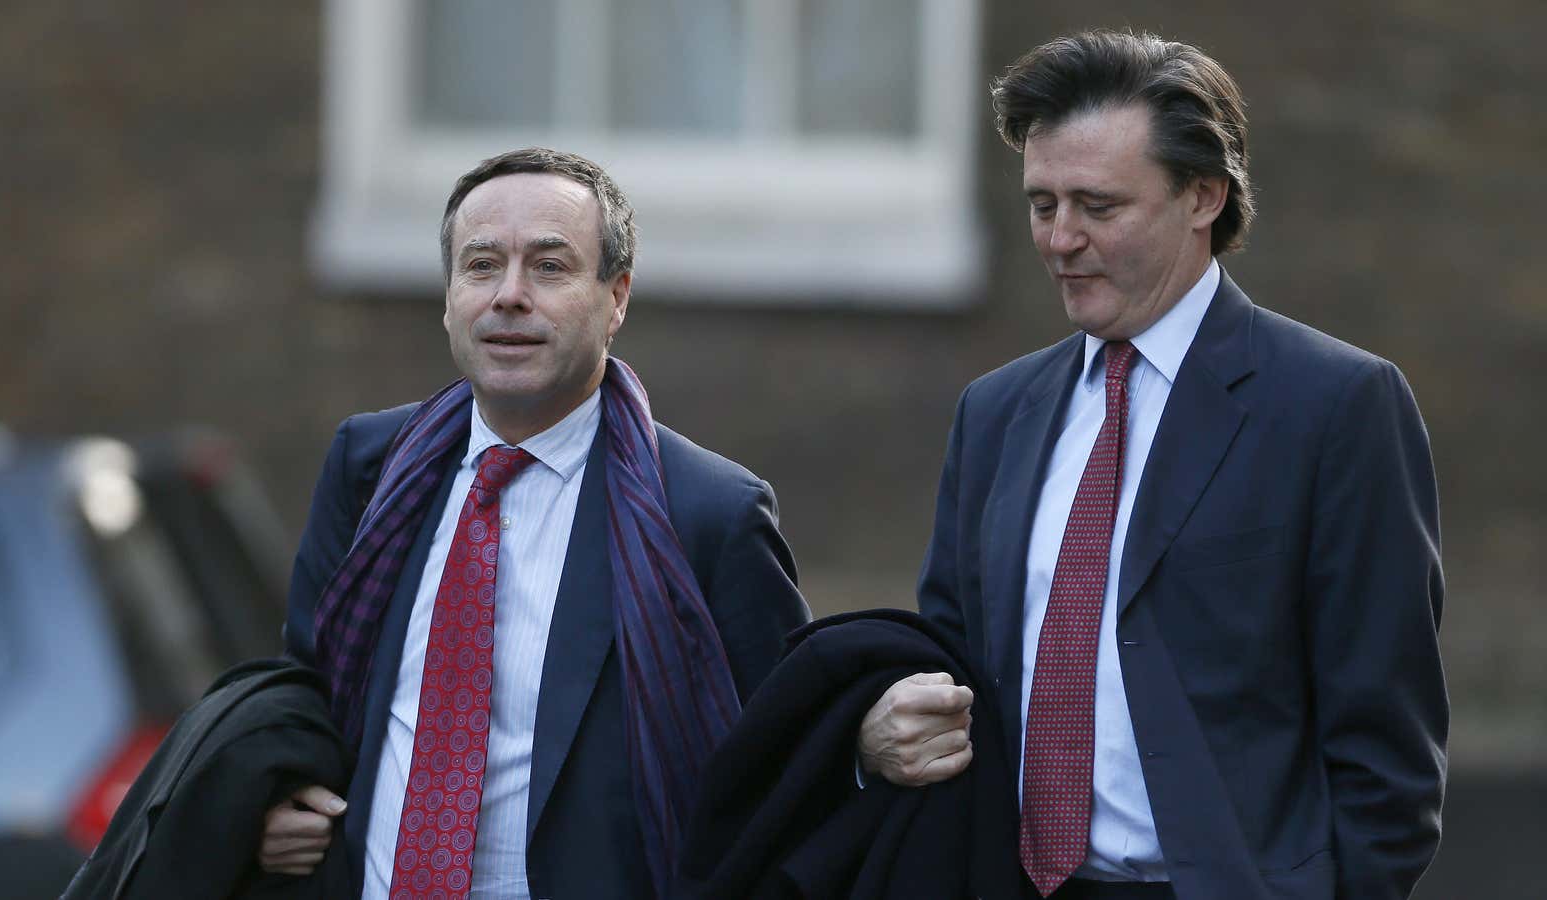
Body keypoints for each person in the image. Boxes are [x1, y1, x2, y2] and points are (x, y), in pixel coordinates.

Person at [856, 31, 1446, 900]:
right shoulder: (997, 412)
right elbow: (950, 669)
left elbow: (1386, 752)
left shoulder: (1336, 405)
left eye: (1098, 206)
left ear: (1203, 196)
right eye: (1042, 203)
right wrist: (875, 734)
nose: (1060, 239)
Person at [260, 147, 809, 899]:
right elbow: (306, 683)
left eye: (549, 267)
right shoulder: (370, 466)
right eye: (482, 265)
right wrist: (277, 791)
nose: (509, 295)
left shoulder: (710, 513)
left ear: (615, 297)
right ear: (449, 295)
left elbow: (785, 762)